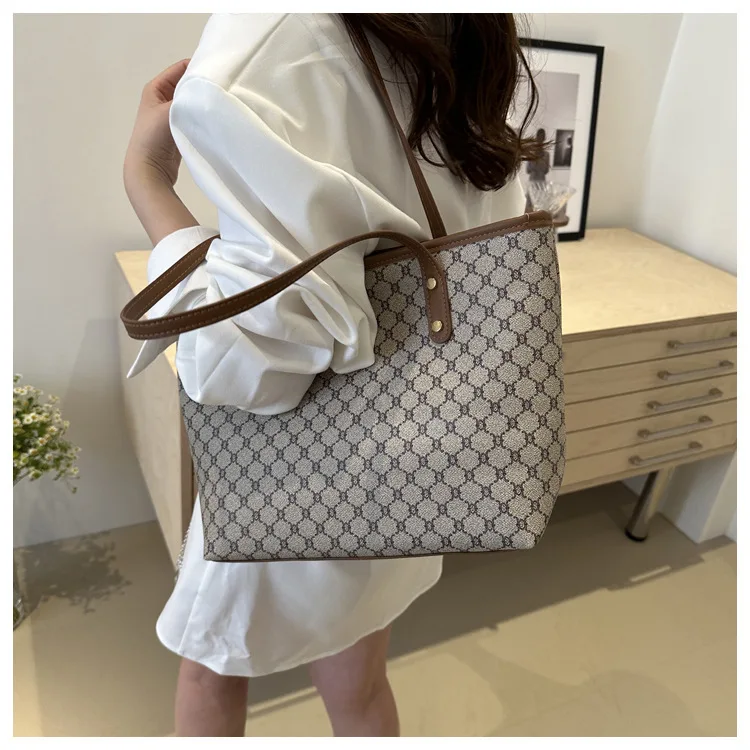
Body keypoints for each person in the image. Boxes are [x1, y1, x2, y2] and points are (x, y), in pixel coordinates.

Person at [123, 13, 543, 737]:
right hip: (413, 462)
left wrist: (147, 181)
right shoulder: (471, 32)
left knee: (211, 669)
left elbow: (246, 367)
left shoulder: (274, 37)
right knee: (361, 682)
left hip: (291, 475)